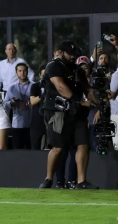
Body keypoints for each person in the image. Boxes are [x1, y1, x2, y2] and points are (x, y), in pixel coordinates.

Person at [39, 40, 98, 189]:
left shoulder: (77, 69)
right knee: (58, 147)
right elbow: (60, 87)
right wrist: (81, 101)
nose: (72, 56)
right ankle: (48, 179)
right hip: (57, 111)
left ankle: (81, 181)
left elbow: (87, 88)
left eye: (74, 54)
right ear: (61, 52)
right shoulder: (53, 66)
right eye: (69, 54)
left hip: (76, 112)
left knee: (83, 144)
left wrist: (97, 101)